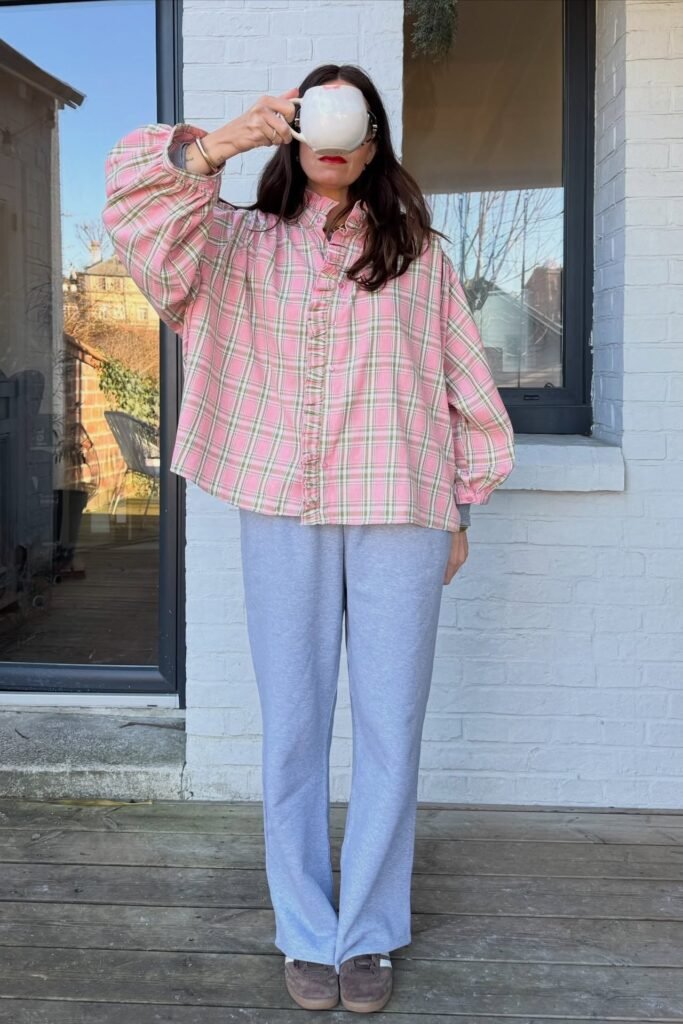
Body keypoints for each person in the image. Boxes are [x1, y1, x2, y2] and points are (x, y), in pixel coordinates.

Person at [103, 63, 515, 1015]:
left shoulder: (421, 257)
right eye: (313, 116)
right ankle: (304, 929)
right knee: (292, 728)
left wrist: (460, 509)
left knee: (388, 731)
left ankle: (365, 934)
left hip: (400, 512)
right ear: (297, 134)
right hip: (280, 509)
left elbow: (467, 395)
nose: (334, 138)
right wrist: (225, 141)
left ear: (372, 143)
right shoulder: (231, 245)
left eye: (353, 120)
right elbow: (130, 213)